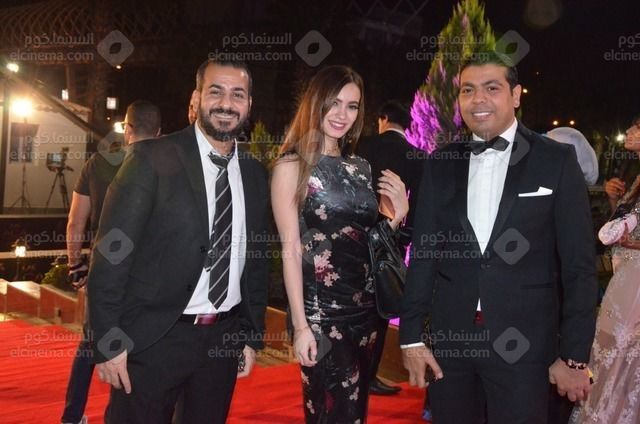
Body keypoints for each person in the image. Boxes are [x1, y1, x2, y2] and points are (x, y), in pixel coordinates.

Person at [400, 52, 598, 423]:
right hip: (450, 344)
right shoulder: (441, 163)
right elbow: (423, 254)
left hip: (526, 348)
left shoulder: (556, 161)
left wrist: (573, 356)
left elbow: (579, 267)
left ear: (516, 95)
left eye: (492, 88)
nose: (478, 99)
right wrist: (411, 337)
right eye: (468, 90)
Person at [87, 59, 270, 423]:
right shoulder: (150, 158)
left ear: (249, 104)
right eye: (216, 91)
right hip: (153, 340)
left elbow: (256, 261)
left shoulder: (254, 173)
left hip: (222, 343)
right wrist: (107, 340)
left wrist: (250, 335)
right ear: (196, 98)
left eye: (238, 94)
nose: (226, 103)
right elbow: (110, 256)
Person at [271, 65, 409, 423]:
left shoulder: (361, 167)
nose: (342, 114)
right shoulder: (292, 166)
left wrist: (397, 217)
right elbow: (290, 249)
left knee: (355, 410)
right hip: (322, 315)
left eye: (352, 106)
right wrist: (301, 326)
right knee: (329, 411)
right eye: (334, 103)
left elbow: (366, 239)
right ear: (316, 102)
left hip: (366, 312)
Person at [61, 100, 161, 424]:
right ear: (159, 133)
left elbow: (75, 222)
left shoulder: (97, 163)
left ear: (127, 129)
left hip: (104, 271)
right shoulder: (167, 169)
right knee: (145, 347)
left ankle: (72, 416)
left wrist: (75, 267)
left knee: (92, 342)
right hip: (148, 276)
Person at [569, 115, 640, 424]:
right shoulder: (634, 176)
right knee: (611, 352)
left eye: (638, 127)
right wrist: (614, 200)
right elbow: (618, 230)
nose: (630, 132)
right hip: (623, 277)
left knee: (629, 356)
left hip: (636, 282)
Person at [355, 100, 423, 396]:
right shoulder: (417, 156)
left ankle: (347, 370)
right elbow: (417, 209)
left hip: (353, 237)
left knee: (350, 304)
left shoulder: (361, 146)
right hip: (389, 237)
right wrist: (401, 239)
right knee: (382, 307)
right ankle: (369, 375)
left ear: (383, 119)